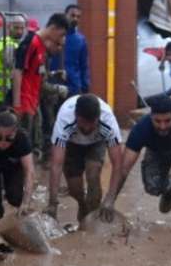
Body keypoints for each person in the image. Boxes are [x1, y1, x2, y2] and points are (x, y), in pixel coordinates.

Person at [101, 94, 171, 224]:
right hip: (157, 150)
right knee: (152, 186)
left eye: (167, 121)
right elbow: (124, 168)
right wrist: (110, 198)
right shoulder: (141, 129)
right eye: (157, 121)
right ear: (151, 117)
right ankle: (170, 185)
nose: (163, 127)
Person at [46, 93, 124, 221]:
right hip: (72, 144)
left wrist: (110, 199)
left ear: (98, 118)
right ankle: (82, 205)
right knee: (75, 188)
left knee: (93, 174)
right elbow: (56, 164)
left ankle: (93, 219)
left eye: (91, 123)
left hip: (96, 143)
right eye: (83, 122)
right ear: (76, 116)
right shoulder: (64, 120)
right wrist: (52, 203)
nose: (87, 128)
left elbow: (117, 164)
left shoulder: (108, 122)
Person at [13, 13, 69, 157]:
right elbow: (18, 71)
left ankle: (28, 175)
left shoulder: (41, 48)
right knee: (21, 144)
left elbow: (37, 76)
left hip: (32, 102)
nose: (61, 40)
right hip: (24, 102)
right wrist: (17, 104)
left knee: (30, 142)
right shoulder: (31, 42)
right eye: (61, 35)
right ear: (54, 28)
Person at [58, 3, 90, 97]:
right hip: (54, 86)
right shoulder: (55, 35)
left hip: (73, 87)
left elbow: (84, 65)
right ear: (65, 15)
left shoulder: (80, 40)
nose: (75, 19)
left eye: (78, 17)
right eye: (72, 15)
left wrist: (85, 85)